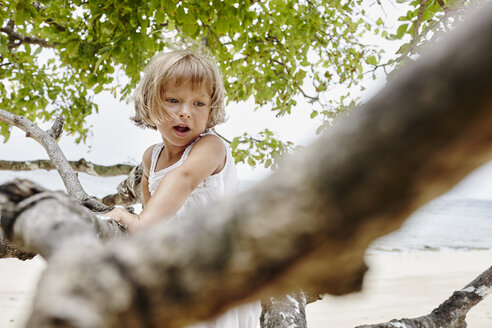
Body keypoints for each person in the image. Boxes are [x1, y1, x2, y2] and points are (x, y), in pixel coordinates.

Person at [105, 48, 261, 328]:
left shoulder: (210, 147)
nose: (185, 112)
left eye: (199, 103)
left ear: (211, 108)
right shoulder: (150, 157)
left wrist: (139, 222)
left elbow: (184, 179)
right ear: (150, 103)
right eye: (173, 100)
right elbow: (156, 217)